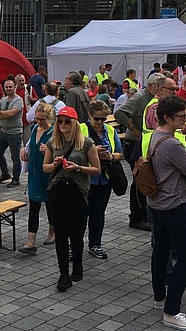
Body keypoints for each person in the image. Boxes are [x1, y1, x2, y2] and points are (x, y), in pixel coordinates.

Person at [146, 95, 186, 331]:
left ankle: (160, 298)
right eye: (180, 116)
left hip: (156, 202)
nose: (184, 119)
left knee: (161, 250)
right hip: (173, 204)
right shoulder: (172, 143)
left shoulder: (155, 136)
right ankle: (172, 311)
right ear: (167, 117)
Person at [42, 106, 100, 291]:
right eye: (60, 122)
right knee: (61, 234)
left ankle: (78, 265)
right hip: (57, 190)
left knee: (76, 233)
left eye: (67, 122)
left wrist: (77, 168)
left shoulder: (86, 144)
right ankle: (63, 274)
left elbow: (97, 169)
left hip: (77, 191)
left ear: (74, 123)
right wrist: (55, 164)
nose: (63, 125)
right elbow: (45, 167)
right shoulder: (53, 142)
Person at [115, 73, 165, 231]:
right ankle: (136, 217)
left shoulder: (151, 99)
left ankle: (143, 214)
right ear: (153, 87)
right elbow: (120, 113)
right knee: (140, 179)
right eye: (162, 88)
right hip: (134, 143)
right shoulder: (140, 97)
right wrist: (133, 129)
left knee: (145, 178)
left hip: (144, 142)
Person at [81, 100, 122, 260]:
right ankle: (75, 245)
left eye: (103, 119)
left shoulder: (110, 131)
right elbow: (72, 153)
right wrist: (92, 152)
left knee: (98, 213)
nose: (100, 123)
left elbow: (120, 153)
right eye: (96, 119)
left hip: (104, 180)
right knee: (81, 214)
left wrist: (110, 156)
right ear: (90, 115)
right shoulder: (81, 129)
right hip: (85, 180)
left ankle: (95, 244)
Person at [18, 103, 55, 254]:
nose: (39, 122)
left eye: (42, 119)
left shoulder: (54, 133)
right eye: (37, 119)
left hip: (48, 173)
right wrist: (23, 150)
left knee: (50, 206)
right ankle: (31, 241)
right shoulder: (34, 129)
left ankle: (52, 232)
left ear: (49, 118)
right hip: (34, 172)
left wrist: (49, 150)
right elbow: (29, 145)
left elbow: (61, 152)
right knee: (34, 207)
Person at [0, 79, 24, 187]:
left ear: (15, 87)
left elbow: (12, 113)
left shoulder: (19, 100)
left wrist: (1, 114)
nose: (8, 89)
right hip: (3, 132)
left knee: (15, 157)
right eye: (6, 87)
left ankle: (16, 179)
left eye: (10, 87)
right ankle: (5, 173)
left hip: (15, 133)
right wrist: (3, 114)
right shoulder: (3, 100)